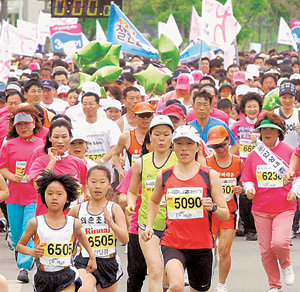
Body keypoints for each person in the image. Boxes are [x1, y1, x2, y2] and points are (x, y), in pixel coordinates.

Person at [142, 125, 229, 292]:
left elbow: (225, 215)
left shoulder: (210, 175)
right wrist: (149, 225)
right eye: (179, 144)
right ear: (172, 147)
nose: (184, 149)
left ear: (197, 147)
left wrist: (213, 207)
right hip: (173, 243)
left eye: (189, 144)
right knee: (176, 285)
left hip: (202, 245)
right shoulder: (165, 175)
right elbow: (153, 201)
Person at [241, 112, 296, 292]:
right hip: (261, 208)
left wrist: (295, 191)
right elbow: (247, 178)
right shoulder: (254, 154)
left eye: (272, 129)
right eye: (264, 129)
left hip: (284, 206)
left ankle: (286, 265)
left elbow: (298, 177)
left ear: (279, 132)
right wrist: (249, 188)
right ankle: (274, 285)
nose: (267, 132)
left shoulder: (289, 151)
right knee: (266, 251)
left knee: (279, 243)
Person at [16, 170, 97, 292]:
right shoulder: (35, 223)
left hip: (67, 274)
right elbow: (19, 246)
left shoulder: (74, 223)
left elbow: (83, 238)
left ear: (68, 198)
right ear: (43, 196)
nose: (54, 197)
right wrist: (33, 252)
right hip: (43, 276)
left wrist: (92, 257)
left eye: (59, 194)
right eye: (50, 193)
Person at [126, 115, 177, 291]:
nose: (161, 138)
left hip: (175, 226)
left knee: (172, 278)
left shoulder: (180, 160)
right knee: (155, 270)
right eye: (156, 134)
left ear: (172, 137)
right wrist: (131, 203)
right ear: (150, 137)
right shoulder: (141, 163)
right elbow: (132, 191)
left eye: (165, 134)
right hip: (147, 225)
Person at [0, 106, 44, 283]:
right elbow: (2, 168)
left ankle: (24, 267)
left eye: (26, 124)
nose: (23, 127)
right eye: (19, 125)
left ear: (34, 124)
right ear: (14, 127)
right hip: (13, 197)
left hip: (34, 197)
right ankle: (25, 256)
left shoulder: (41, 144)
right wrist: (12, 176)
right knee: (17, 234)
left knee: (29, 229)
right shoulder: (9, 145)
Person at [69, 165, 128, 292]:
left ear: (108, 185)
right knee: (84, 290)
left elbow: (125, 239)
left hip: (108, 261)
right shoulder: (77, 209)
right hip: (85, 260)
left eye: (102, 182)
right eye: (93, 182)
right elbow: (64, 232)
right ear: (87, 184)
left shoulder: (114, 208)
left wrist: (111, 223)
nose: (97, 186)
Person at [206, 126, 244, 292]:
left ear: (228, 141)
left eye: (222, 145)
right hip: (210, 211)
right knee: (208, 248)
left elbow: (244, 183)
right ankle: (206, 275)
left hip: (230, 212)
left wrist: (240, 189)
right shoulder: (207, 162)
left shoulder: (238, 162)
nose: (220, 149)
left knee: (224, 250)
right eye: (215, 146)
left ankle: (221, 284)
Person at [27, 119, 88, 215]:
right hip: (46, 217)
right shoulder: (40, 161)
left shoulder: (79, 163)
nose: (60, 141)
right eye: (56, 137)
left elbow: (85, 186)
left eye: (64, 137)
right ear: (50, 138)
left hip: (71, 218)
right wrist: (52, 162)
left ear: (70, 137)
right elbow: (38, 186)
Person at [72, 92, 121, 173]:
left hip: (105, 170)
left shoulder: (109, 124)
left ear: (98, 106)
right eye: (85, 104)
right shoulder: (76, 125)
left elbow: (115, 146)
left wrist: (101, 160)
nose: (88, 107)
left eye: (91, 104)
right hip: (83, 169)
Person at [113, 102, 154, 180]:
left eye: (148, 115)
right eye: (142, 116)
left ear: (152, 117)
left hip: (152, 179)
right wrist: (120, 170)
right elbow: (115, 155)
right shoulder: (126, 136)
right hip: (132, 179)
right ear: (135, 116)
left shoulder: (157, 135)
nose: (145, 118)